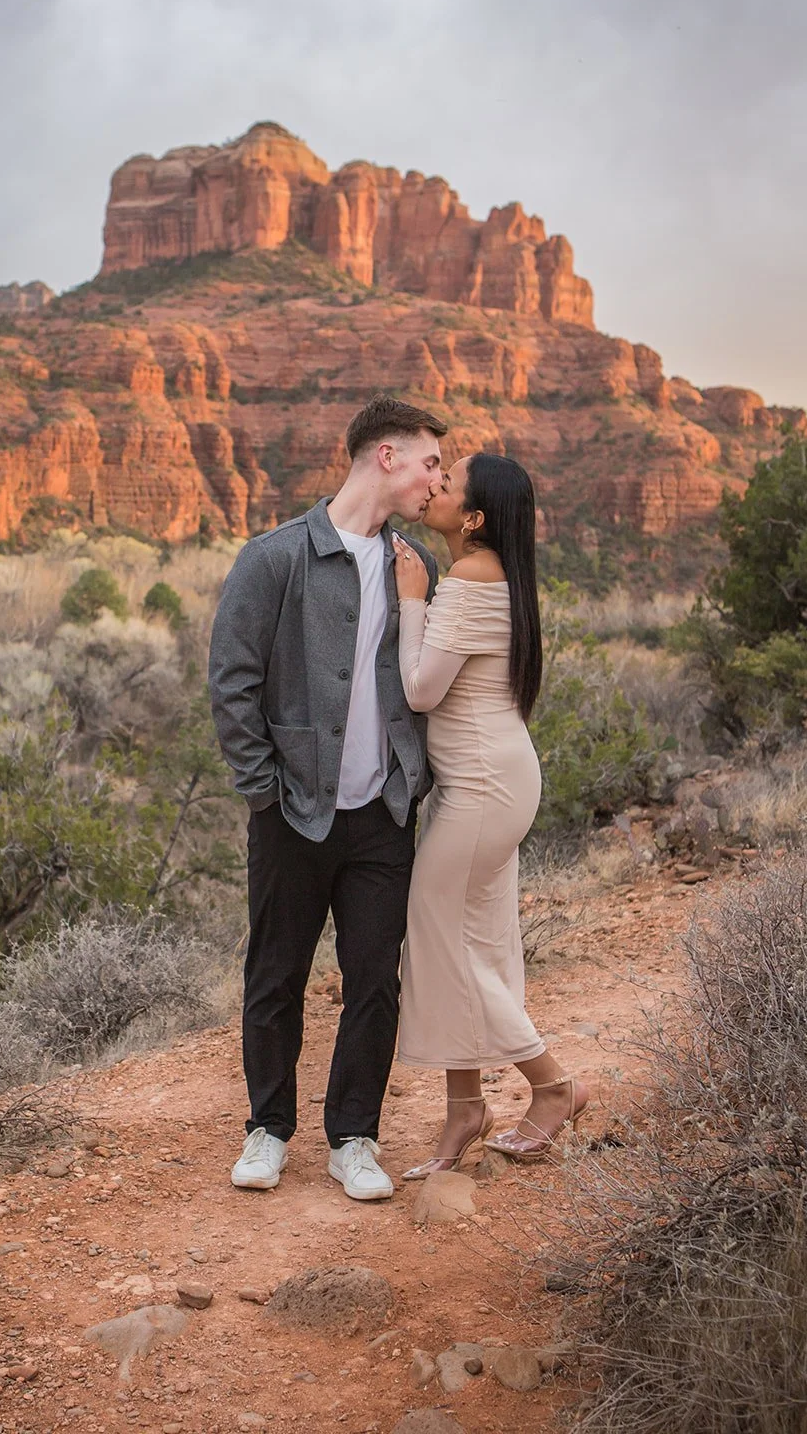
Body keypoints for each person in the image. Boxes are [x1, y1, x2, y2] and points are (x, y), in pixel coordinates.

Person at [209, 395, 447, 1200]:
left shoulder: (415, 564)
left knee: (374, 979)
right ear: (386, 455)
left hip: (382, 813)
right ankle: (267, 1130)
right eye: (428, 463)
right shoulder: (273, 558)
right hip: (292, 811)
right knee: (275, 975)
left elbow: (422, 682)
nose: (435, 480)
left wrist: (413, 780)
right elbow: (231, 683)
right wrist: (262, 790)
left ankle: (353, 1138)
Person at [391, 452, 589, 1172]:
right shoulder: (492, 573)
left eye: (447, 484)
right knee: (471, 941)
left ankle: (553, 1085)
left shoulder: (471, 579)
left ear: (472, 518)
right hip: (488, 780)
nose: (433, 486)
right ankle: (465, 1110)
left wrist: (412, 599)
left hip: (482, 786)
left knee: (438, 938)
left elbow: (420, 692)